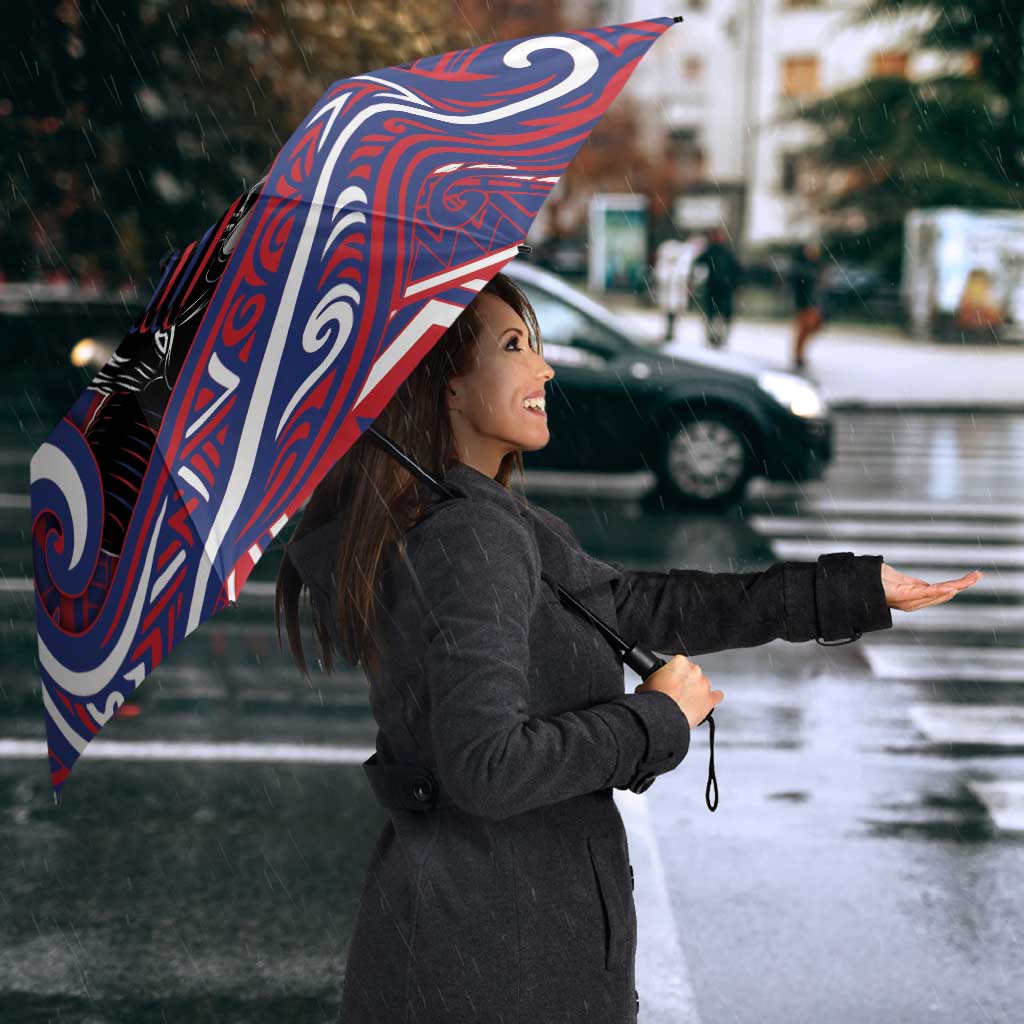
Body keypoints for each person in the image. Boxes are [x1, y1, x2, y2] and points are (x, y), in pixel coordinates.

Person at [276, 271, 982, 1024]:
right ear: (446, 384)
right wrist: (655, 719)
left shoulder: (472, 519)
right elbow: (488, 767)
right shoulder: (471, 536)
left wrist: (849, 590)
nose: (544, 368)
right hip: (498, 962)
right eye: (514, 346)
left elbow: (640, 606)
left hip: (474, 940)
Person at [692, 226, 742, 349]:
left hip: (722, 289)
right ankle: (713, 337)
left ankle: (719, 337)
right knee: (714, 314)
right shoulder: (714, 251)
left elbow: (736, 270)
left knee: (719, 315)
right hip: (716, 288)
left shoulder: (724, 252)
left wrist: (735, 284)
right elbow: (698, 263)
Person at [790, 239, 826, 370]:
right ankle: (798, 355)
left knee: (812, 327)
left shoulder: (816, 266)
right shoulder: (802, 267)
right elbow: (799, 286)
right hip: (805, 303)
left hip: (814, 303)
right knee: (804, 329)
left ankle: (799, 354)